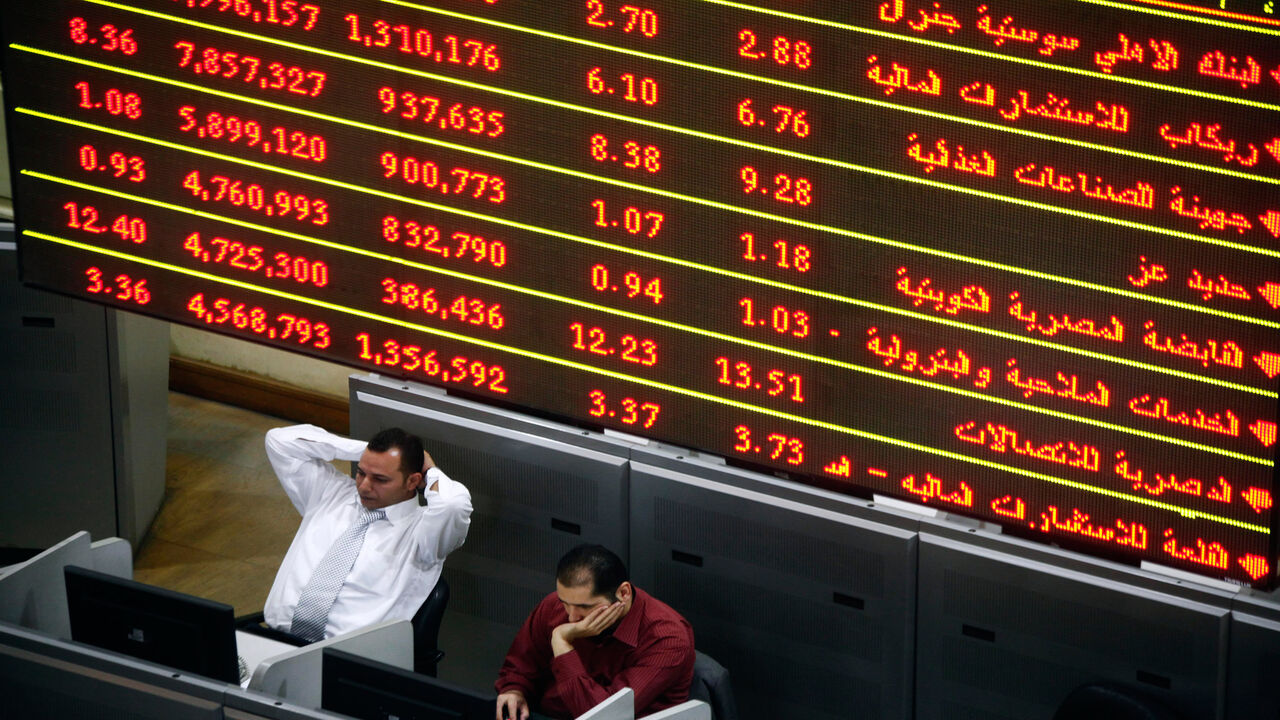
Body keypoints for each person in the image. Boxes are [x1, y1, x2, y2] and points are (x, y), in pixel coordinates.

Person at [262, 424, 471, 641]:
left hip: (347, 659)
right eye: (361, 473)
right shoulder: (331, 493)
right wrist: (368, 453)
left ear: (413, 481)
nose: (364, 486)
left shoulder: (423, 533)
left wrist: (429, 471)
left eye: (380, 479)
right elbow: (279, 441)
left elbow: (453, 505)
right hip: (272, 639)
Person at [495, 544, 694, 719]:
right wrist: (514, 689)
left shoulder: (667, 639)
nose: (572, 617)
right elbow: (520, 665)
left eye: (584, 607)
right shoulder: (554, 606)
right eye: (565, 603)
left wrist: (562, 642)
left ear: (623, 594)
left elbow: (602, 716)